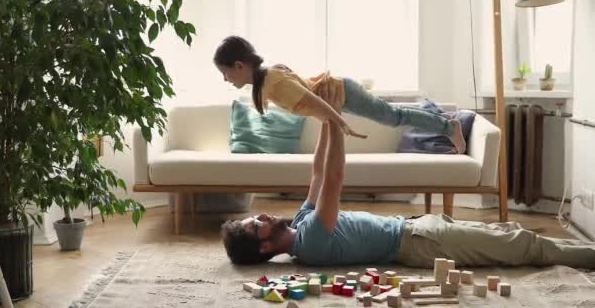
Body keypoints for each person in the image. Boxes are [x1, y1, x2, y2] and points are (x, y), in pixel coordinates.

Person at [220, 94, 595, 268]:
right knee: (521, 245)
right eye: (259, 225)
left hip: (418, 228)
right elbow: (335, 178)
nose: (264, 216)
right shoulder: (311, 244)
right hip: (421, 244)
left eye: (258, 217)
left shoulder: (301, 223)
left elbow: (318, 174)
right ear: (266, 248)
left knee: (509, 232)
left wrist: (322, 114)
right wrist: (335, 120)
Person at [213, 35, 467, 154]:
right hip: (342, 93)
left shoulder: (271, 81)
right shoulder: (267, 81)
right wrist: (334, 120)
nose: (225, 79)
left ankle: (447, 125)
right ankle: (442, 119)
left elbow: (312, 99)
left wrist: (341, 123)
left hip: (344, 92)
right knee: (392, 114)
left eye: (225, 73)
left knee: (392, 117)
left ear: (239, 65)